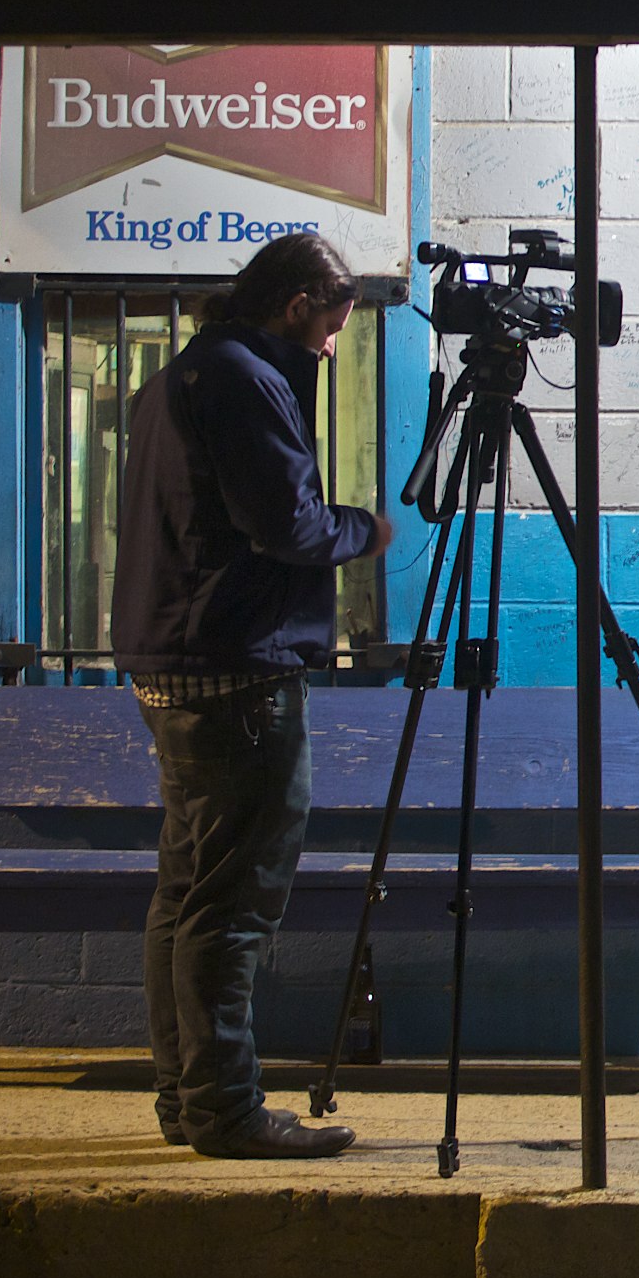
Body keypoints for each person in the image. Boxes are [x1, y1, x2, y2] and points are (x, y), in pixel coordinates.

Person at [114, 232, 395, 1158]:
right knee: (232, 906)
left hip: (177, 663)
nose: (331, 344)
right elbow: (288, 525)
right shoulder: (243, 378)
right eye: (330, 324)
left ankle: (187, 1100)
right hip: (237, 671)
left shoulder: (184, 375)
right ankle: (228, 1112)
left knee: (187, 892)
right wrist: (366, 530)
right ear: (294, 305)